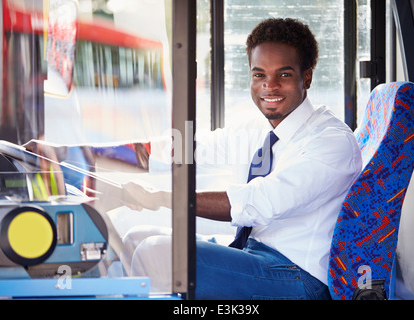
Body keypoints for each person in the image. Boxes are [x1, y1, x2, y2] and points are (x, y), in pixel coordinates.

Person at [122, 17, 363, 299]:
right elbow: (184, 148)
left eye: (283, 75)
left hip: (297, 276)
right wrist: (90, 153)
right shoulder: (259, 128)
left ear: (306, 77)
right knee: (134, 239)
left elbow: (260, 201)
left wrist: (163, 197)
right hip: (254, 253)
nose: (268, 86)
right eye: (259, 74)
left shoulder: (331, 141)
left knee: (156, 253)